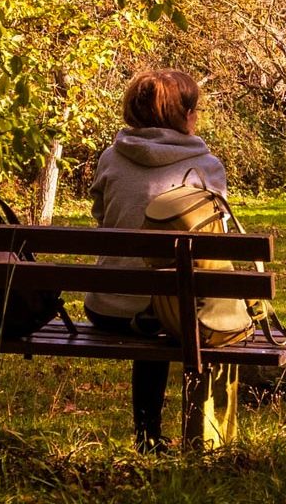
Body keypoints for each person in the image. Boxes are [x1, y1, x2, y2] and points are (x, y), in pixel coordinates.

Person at [83, 68, 227, 452]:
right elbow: (214, 242)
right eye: (194, 108)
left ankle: (148, 435)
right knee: (171, 313)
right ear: (184, 115)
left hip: (106, 308)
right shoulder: (206, 166)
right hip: (165, 316)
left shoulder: (112, 158)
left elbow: (103, 216)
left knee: (155, 310)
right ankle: (177, 436)